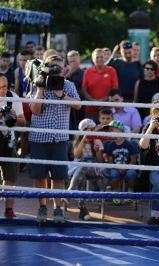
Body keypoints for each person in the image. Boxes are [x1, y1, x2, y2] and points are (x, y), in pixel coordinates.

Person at [29, 55, 81, 224]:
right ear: (46, 68)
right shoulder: (37, 84)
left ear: (65, 69)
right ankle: (42, 207)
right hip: (39, 138)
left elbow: (78, 105)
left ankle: (58, 209)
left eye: (59, 68)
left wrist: (61, 95)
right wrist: (40, 89)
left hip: (59, 138)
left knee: (58, 176)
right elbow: (34, 111)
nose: (56, 72)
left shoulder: (68, 85)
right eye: (53, 68)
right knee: (40, 176)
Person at [0, 73, 26, 217]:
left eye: (4, 87)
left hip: (7, 140)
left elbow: (23, 122)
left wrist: (14, 118)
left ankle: (9, 210)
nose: (2, 91)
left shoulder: (13, 98)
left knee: (10, 178)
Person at [67, 119, 103, 221]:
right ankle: (82, 208)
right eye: (88, 130)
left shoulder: (97, 141)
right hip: (79, 169)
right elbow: (76, 156)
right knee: (81, 177)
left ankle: (69, 192)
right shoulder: (78, 142)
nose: (90, 133)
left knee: (83, 167)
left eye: (92, 130)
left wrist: (97, 151)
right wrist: (83, 140)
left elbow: (100, 161)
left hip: (93, 168)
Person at [104, 120, 139, 205]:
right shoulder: (110, 145)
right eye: (109, 130)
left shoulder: (128, 144)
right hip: (116, 168)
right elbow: (110, 161)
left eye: (112, 129)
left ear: (119, 130)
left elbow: (133, 160)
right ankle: (116, 193)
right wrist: (118, 167)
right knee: (113, 175)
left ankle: (130, 191)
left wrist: (125, 167)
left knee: (132, 174)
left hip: (128, 167)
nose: (110, 132)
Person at [82, 48, 118, 124]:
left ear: (105, 58)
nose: (99, 59)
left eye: (101, 57)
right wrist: (93, 102)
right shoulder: (87, 72)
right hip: (90, 110)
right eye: (97, 57)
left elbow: (114, 89)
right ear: (92, 59)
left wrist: (101, 102)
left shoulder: (112, 71)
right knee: (91, 134)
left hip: (107, 110)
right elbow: (84, 90)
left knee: (108, 134)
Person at [66, 50, 85, 130]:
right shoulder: (65, 72)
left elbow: (85, 92)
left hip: (80, 106)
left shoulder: (84, 73)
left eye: (74, 61)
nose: (72, 64)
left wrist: (72, 90)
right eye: (70, 62)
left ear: (79, 60)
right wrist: (69, 73)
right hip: (67, 107)